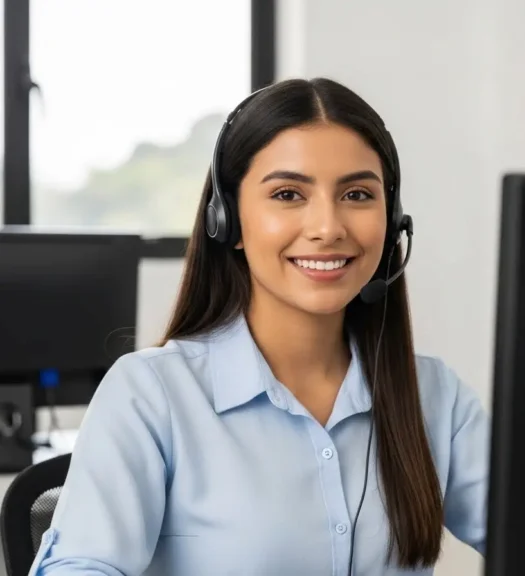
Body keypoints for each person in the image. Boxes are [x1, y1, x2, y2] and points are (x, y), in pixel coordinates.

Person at [30, 78, 489, 575]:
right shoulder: (151, 395)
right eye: (289, 194)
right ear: (227, 221)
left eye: (357, 194)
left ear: (393, 220)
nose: (328, 227)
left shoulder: (435, 397)